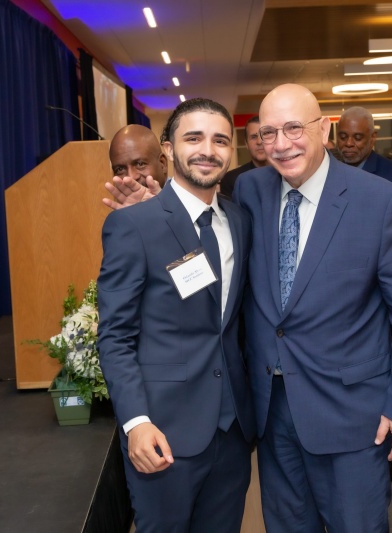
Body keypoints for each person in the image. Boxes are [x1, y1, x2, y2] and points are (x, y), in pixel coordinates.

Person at [234, 84, 392, 533]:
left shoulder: (380, 200)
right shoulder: (248, 191)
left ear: (325, 129)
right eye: (269, 132)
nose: (281, 144)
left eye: (294, 128)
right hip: (273, 410)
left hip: (353, 413)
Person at [97, 98, 255, 532]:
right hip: (163, 432)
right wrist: (136, 422)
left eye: (220, 139)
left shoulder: (240, 222)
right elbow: (114, 337)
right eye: (194, 138)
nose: (208, 149)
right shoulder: (133, 225)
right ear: (167, 149)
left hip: (232, 431)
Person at [336, 107, 392, 214]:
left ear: (373, 138)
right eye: (343, 137)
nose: (349, 143)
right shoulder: (329, 172)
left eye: (358, 138)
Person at [103, 125, 167, 210]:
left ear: (162, 164)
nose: (130, 177)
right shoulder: (121, 217)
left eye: (140, 164)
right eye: (120, 169)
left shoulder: (186, 203)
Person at [219, 115, 267, 199]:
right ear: (246, 144)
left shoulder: (286, 175)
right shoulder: (231, 180)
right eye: (254, 137)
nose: (259, 142)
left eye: (264, 135)